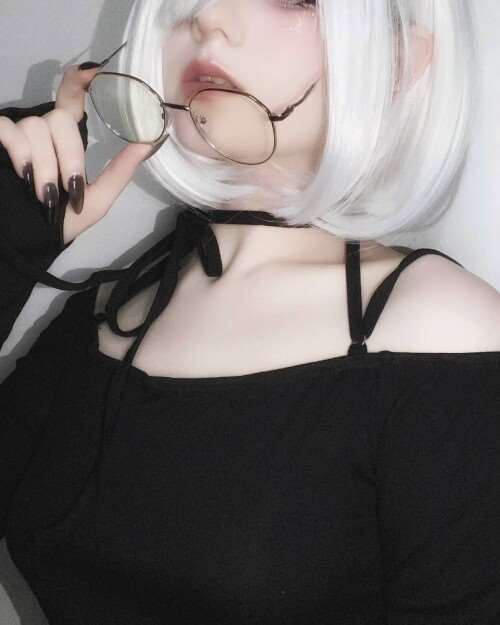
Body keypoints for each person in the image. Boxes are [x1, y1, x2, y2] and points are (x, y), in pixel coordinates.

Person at [1, 1, 499, 623]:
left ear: (401, 61)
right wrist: (8, 250)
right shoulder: (108, 314)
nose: (208, 15)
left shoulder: (443, 331)